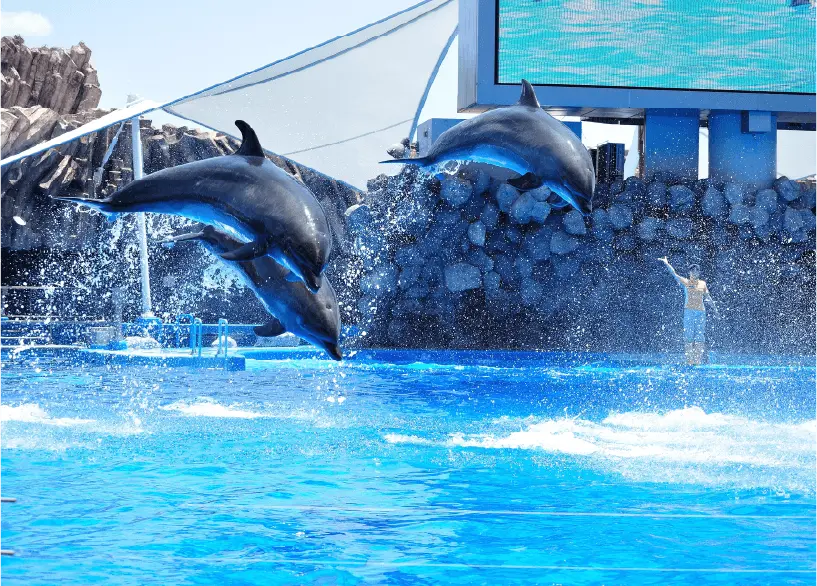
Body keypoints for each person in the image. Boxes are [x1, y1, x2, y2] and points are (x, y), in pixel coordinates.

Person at [658, 257, 719, 365]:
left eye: (696, 270)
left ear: (699, 272)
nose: (694, 272)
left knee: (700, 335)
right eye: (692, 270)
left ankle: (698, 361)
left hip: (701, 312)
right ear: (689, 272)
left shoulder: (703, 284)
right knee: (689, 335)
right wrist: (667, 263)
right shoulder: (686, 282)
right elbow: (674, 274)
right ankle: (690, 361)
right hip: (689, 311)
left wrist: (715, 309)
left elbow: (708, 297)